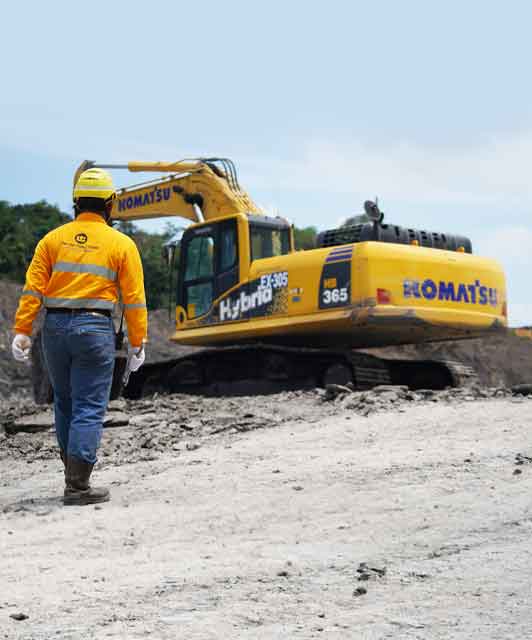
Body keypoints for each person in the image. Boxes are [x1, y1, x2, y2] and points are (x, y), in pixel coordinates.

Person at [11, 167, 148, 506]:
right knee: (89, 405)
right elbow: (133, 298)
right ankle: (77, 486)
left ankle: (71, 476)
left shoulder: (52, 240)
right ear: (110, 203)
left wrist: (22, 331)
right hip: (94, 328)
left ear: (76, 202)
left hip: (54, 329)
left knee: (65, 402)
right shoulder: (122, 244)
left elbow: (32, 290)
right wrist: (137, 341)